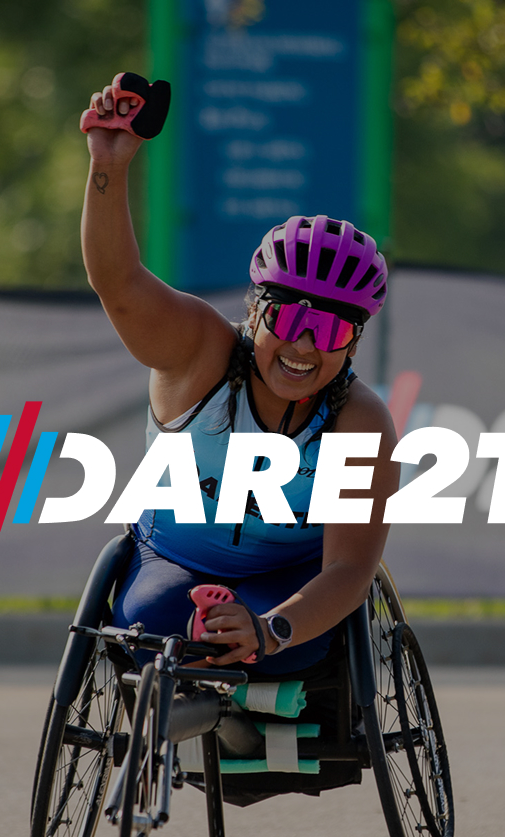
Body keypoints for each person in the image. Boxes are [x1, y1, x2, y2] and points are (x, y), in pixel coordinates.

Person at [81, 81, 399, 677]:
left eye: (330, 330)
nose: (304, 345)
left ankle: (243, 713)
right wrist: (109, 167)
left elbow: (351, 570)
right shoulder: (198, 351)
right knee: (151, 626)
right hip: (173, 559)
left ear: (354, 340)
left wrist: (270, 631)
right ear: (254, 310)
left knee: (292, 652)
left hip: (289, 585)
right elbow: (119, 285)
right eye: (289, 317)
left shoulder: (360, 421)